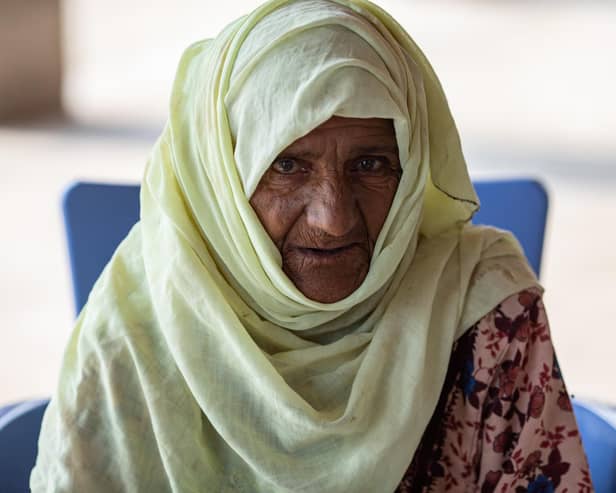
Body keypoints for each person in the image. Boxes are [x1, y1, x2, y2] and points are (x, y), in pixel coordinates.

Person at [31, 0, 592, 491]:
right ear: (223, 178)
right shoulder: (135, 330)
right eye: (287, 165)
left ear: (413, 165)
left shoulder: (484, 306)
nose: (332, 218)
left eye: (370, 164)